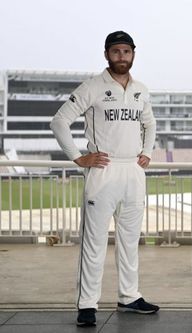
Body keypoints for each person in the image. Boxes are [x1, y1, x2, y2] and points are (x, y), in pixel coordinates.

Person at [50, 30, 158, 327]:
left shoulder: (141, 89)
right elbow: (59, 121)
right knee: (94, 242)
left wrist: (147, 151)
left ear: (133, 54)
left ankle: (129, 296)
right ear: (106, 54)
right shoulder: (93, 86)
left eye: (126, 51)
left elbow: (150, 123)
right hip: (103, 170)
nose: (121, 57)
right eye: (116, 51)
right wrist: (77, 156)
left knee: (130, 240)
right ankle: (87, 305)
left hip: (133, 171)